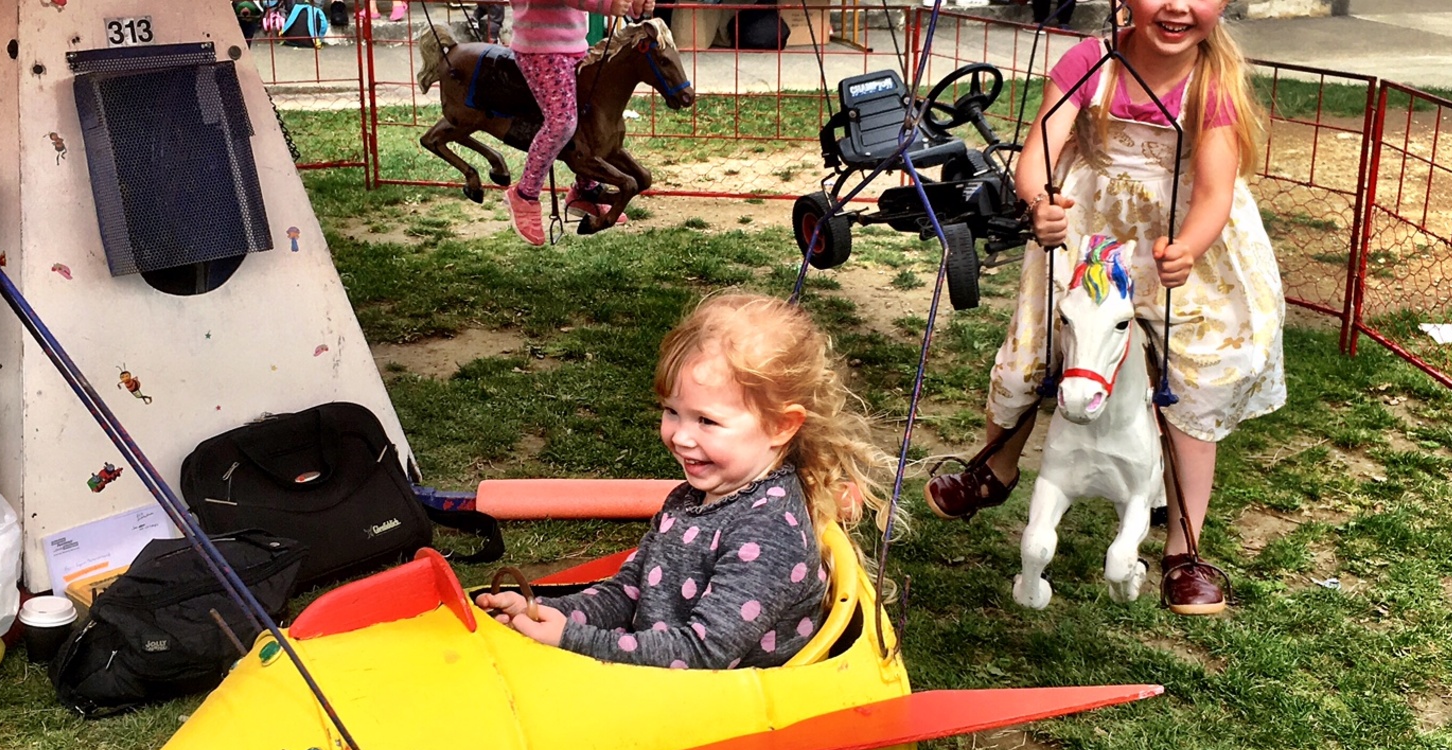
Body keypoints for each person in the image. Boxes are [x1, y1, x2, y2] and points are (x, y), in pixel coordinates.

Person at [924, 0, 1284, 616]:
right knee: (1038, 351)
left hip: (1177, 241)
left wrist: (1189, 247)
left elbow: (1214, 191)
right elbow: (1040, 152)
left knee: (1192, 381)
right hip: (1088, 227)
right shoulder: (1092, 61)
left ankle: (1183, 548)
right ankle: (996, 466)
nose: (1177, 6)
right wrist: (1039, 201)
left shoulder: (1213, 82)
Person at [477, 293, 901, 667]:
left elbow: (703, 653)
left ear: (780, 426)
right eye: (672, 411)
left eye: (706, 420)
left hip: (729, 709)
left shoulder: (769, 535)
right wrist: (548, 612)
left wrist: (572, 640)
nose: (680, 436)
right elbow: (629, 592)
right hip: (668, 679)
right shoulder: (693, 497)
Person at [502, 0, 652, 245]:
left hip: (574, 45)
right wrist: (606, 5)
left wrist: (634, 5)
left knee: (586, 118)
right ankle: (524, 194)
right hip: (540, 48)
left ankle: (585, 189)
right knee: (562, 122)